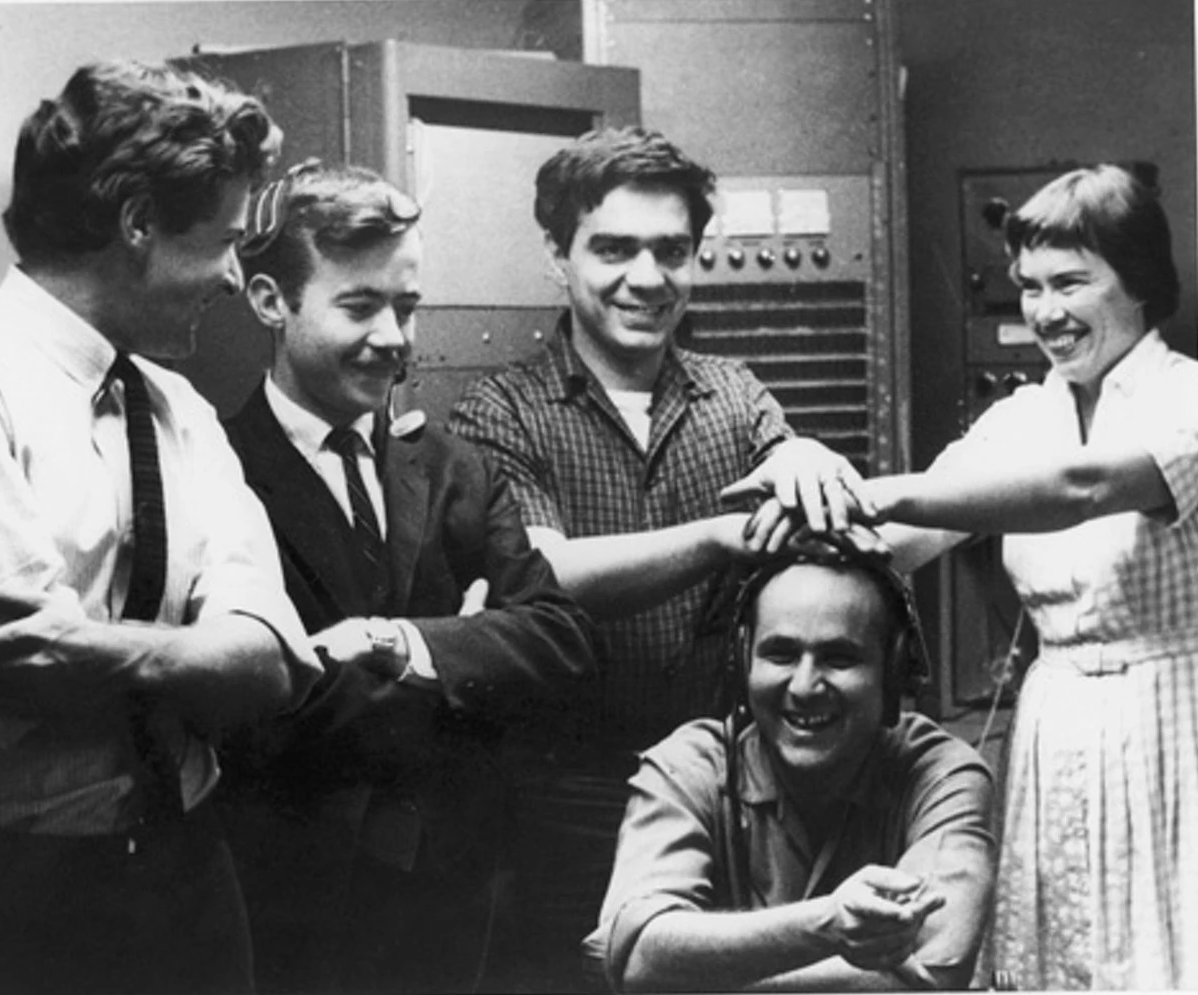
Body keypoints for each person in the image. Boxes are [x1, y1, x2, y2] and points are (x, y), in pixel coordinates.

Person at [730, 163, 1198, 988]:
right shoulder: (1021, 417)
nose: (1044, 311)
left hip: (1171, 722)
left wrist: (879, 489)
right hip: (1053, 725)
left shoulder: (1185, 399)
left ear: (1137, 283)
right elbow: (897, 540)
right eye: (1029, 287)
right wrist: (805, 473)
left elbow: (1080, 487)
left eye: (1070, 283)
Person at [449, 125, 871, 990]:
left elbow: (814, 547)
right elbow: (542, 577)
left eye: (670, 251)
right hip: (564, 808)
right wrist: (718, 537)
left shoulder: (737, 397)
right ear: (557, 256)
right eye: (613, 249)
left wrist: (806, 459)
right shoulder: (499, 412)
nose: (646, 278)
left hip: (730, 800)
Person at [0, 60, 321, 995]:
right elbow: (21, 661)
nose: (234, 277)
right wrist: (189, 652)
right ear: (138, 222)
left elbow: (270, 660)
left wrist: (105, 652)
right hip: (18, 893)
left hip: (192, 874)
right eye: (225, 241)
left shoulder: (180, 408)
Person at [215, 160, 599, 994]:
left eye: (407, 306)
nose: (393, 336)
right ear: (271, 301)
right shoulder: (215, 470)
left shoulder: (454, 467)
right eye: (360, 306)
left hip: (459, 904)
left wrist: (401, 644)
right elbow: (250, 714)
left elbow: (562, 642)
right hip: (293, 908)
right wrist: (467, 650)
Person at [584, 530, 996, 992]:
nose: (804, 686)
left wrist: (702, 976)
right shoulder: (687, 767)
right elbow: (639, 958)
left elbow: (932, 970)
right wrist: (826, 925)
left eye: (839, 658)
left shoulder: (941, 772)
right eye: (780, 654)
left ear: (892, 670)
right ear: (743, 661)